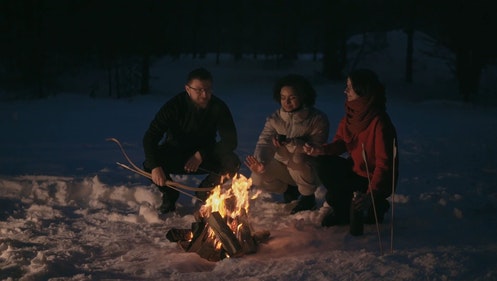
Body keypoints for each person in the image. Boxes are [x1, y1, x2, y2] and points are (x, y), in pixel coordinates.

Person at [304, 68, 398, 227]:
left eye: (349, 87)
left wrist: (371, 194)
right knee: (322, 163)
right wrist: (320, 150)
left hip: (371, 179)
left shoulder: (379, 122)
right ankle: (345, 208)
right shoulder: (351, 115)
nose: (345, 90)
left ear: (362, 90)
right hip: (354, 170)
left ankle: (374, 205)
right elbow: (341, 143)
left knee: (337, 196)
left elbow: (384, 165)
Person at [142, 67, 241, 214]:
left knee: (232, 162)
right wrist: (156, 167)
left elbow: (231, 140)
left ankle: (204, 192)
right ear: (188, 89)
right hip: (175, 153)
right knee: (150, 164)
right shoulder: (174, 106)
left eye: (208, 89)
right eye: (199, 90)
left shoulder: (218, 107)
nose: (204, 94)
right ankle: (170, 193)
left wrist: (201, 154)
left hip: (205, 156)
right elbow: (150, 137)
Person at [244, 74, 329, 214]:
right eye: (283, 97)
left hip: (308, 171)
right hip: (284, 168)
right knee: (258, 175)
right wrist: (261, 162)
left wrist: (291, 143)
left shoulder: (317, 119)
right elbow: (264, 143)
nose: (287, 102)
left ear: (303, 96)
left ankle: (308, 197)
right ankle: (289, 190)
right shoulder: (275, 119)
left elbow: (316, 148)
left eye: (292, 97)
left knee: (298, 157)